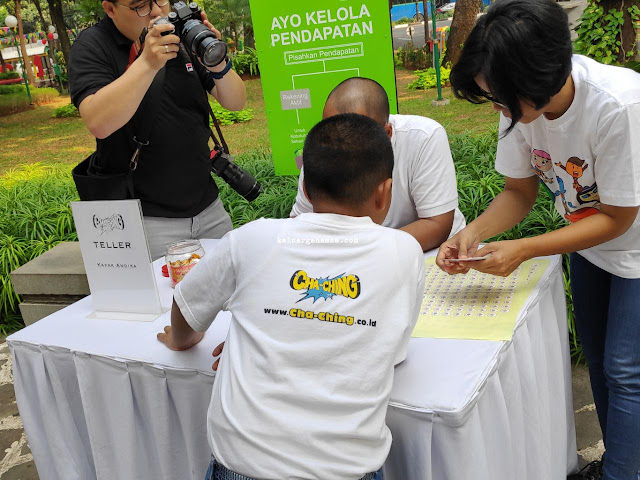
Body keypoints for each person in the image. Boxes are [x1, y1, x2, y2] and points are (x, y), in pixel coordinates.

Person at [158, 113, 425, 480]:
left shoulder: (251, 239)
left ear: (306, 189)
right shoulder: (404, 252)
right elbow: (391, 352)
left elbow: (186, 305)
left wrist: (183, 339)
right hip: (346, 470)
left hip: (243, 467)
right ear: (384, 191)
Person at [436, 1, 640, 479]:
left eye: (500, 99)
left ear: (536, 80)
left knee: (626, 371)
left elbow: (619, 218)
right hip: (588, 244)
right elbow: (519, 191)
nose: (497, 109)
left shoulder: (619, 106)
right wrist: (472, 233)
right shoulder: (518, 107)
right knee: (598, 360)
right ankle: (620, 461)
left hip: (634, 246)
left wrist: (523, 249)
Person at [69, 0, 246, 260]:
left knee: (228, 284)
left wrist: (215, 60)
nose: (155, 11)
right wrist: (147, 63)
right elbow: (99, 123)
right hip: (145, 220)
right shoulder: (94, 44)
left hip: (209, 209)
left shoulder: (179, 34)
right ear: (110, 9)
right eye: (140, 5)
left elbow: (236, 102)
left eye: (160, 0)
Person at [290, 77, 466, 252]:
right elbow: (299, 224)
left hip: (427, 253)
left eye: (356, 135)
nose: (340, 142)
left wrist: (363, 251)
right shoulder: (325, 145)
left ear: (387, 133)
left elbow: (436, 224)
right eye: (330, 130)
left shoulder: (424, 137)